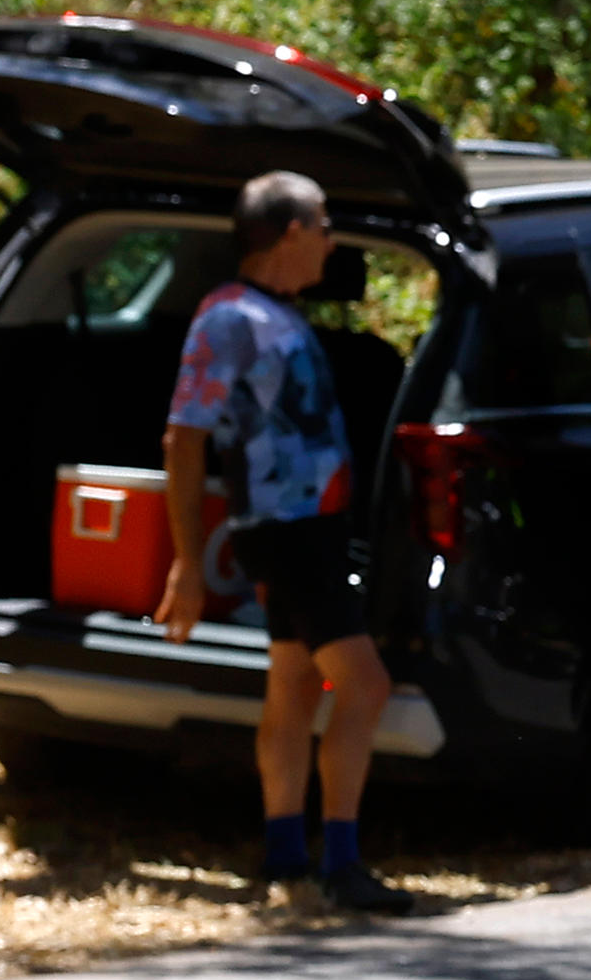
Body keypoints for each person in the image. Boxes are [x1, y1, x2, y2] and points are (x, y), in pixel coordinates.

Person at [154, 171, 408, 912]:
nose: (332, 242)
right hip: (287, 531)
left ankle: (287, 856)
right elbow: (183, 439)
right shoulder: (228, 318)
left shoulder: (277, 314)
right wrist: (186, 562)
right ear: (292, 232)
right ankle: (343, 864)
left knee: (294, 685)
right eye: (324, 226)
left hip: (312, 527)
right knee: (366, 685)